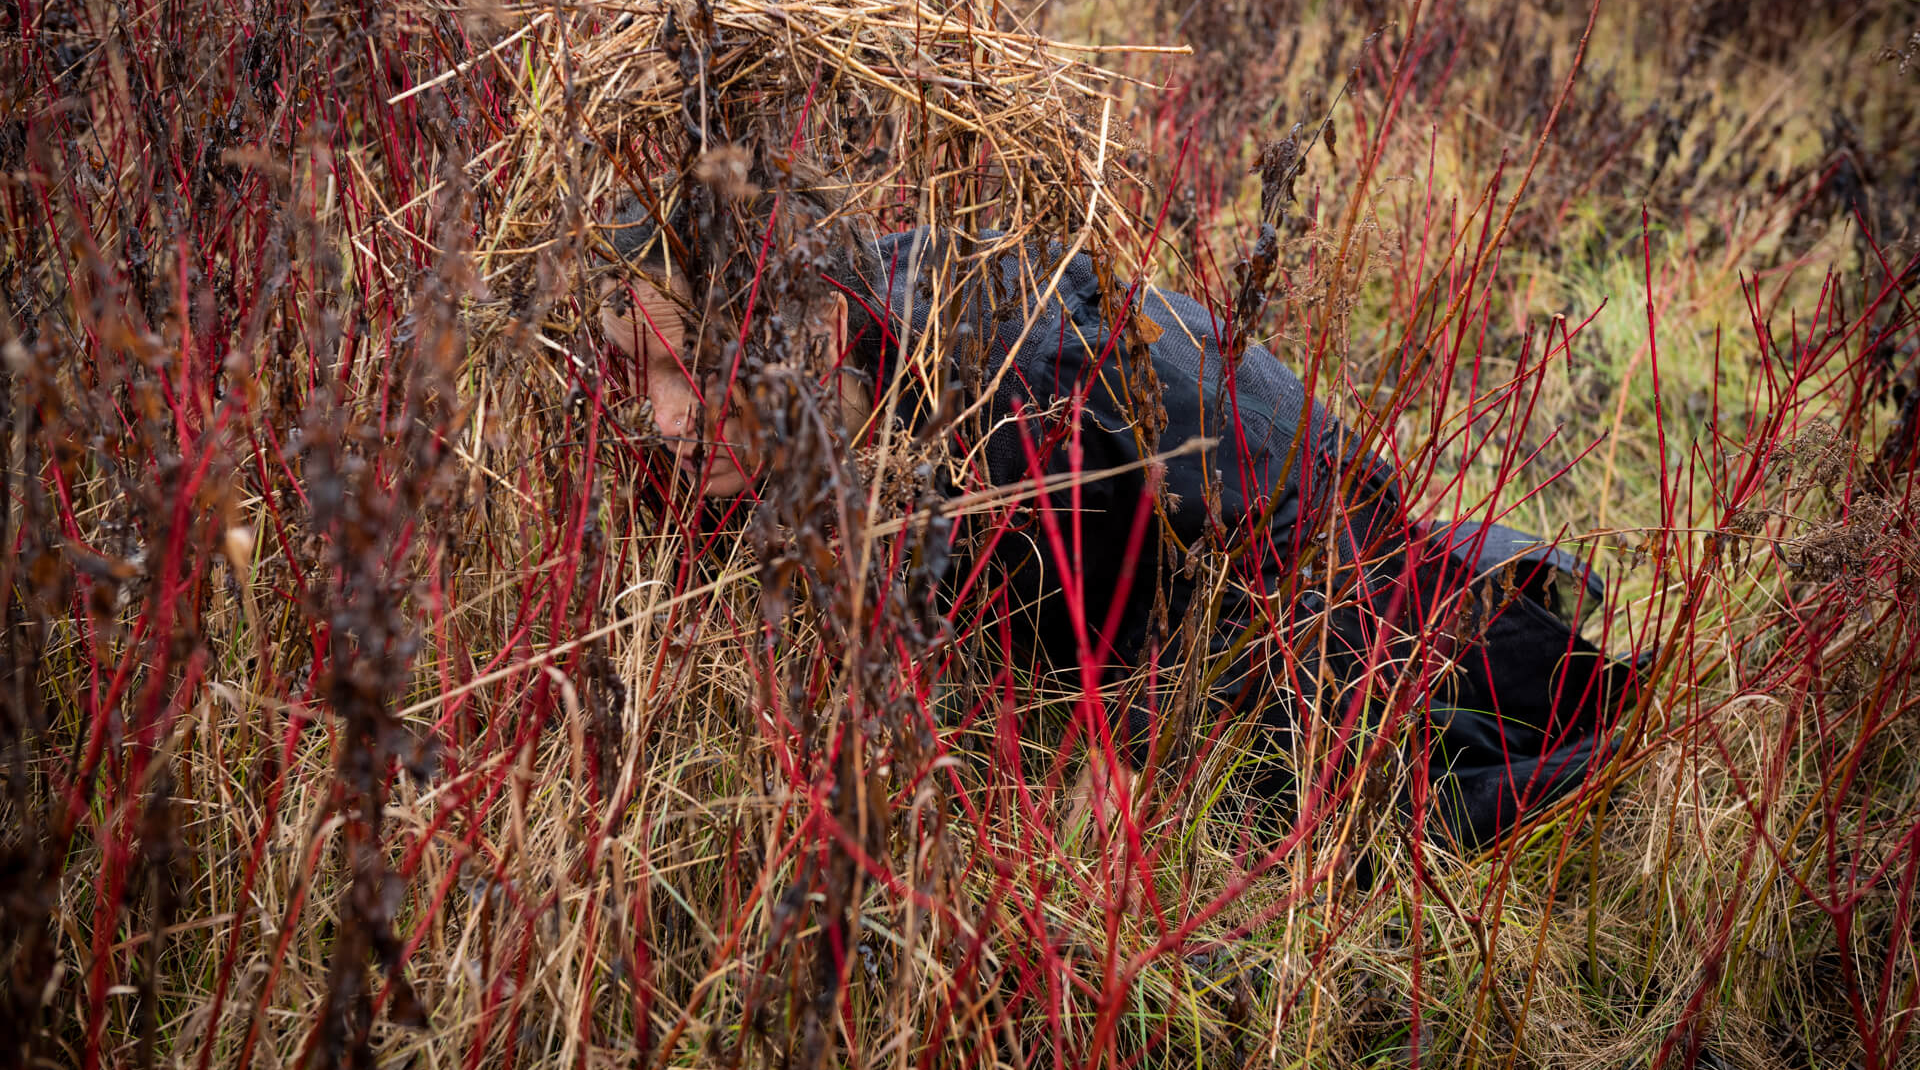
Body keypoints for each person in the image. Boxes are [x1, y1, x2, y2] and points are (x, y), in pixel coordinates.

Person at [598, 193, 1636, 850]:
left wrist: (1131, 751)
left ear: (805, 327)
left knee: (1310, 826)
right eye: (639, 375)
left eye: (688, 373)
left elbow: (1287, 510)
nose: (666, 421)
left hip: (1301, 585)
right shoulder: (802, 376)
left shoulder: (1024, 364)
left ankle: (1548, 684)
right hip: (1118, 612)